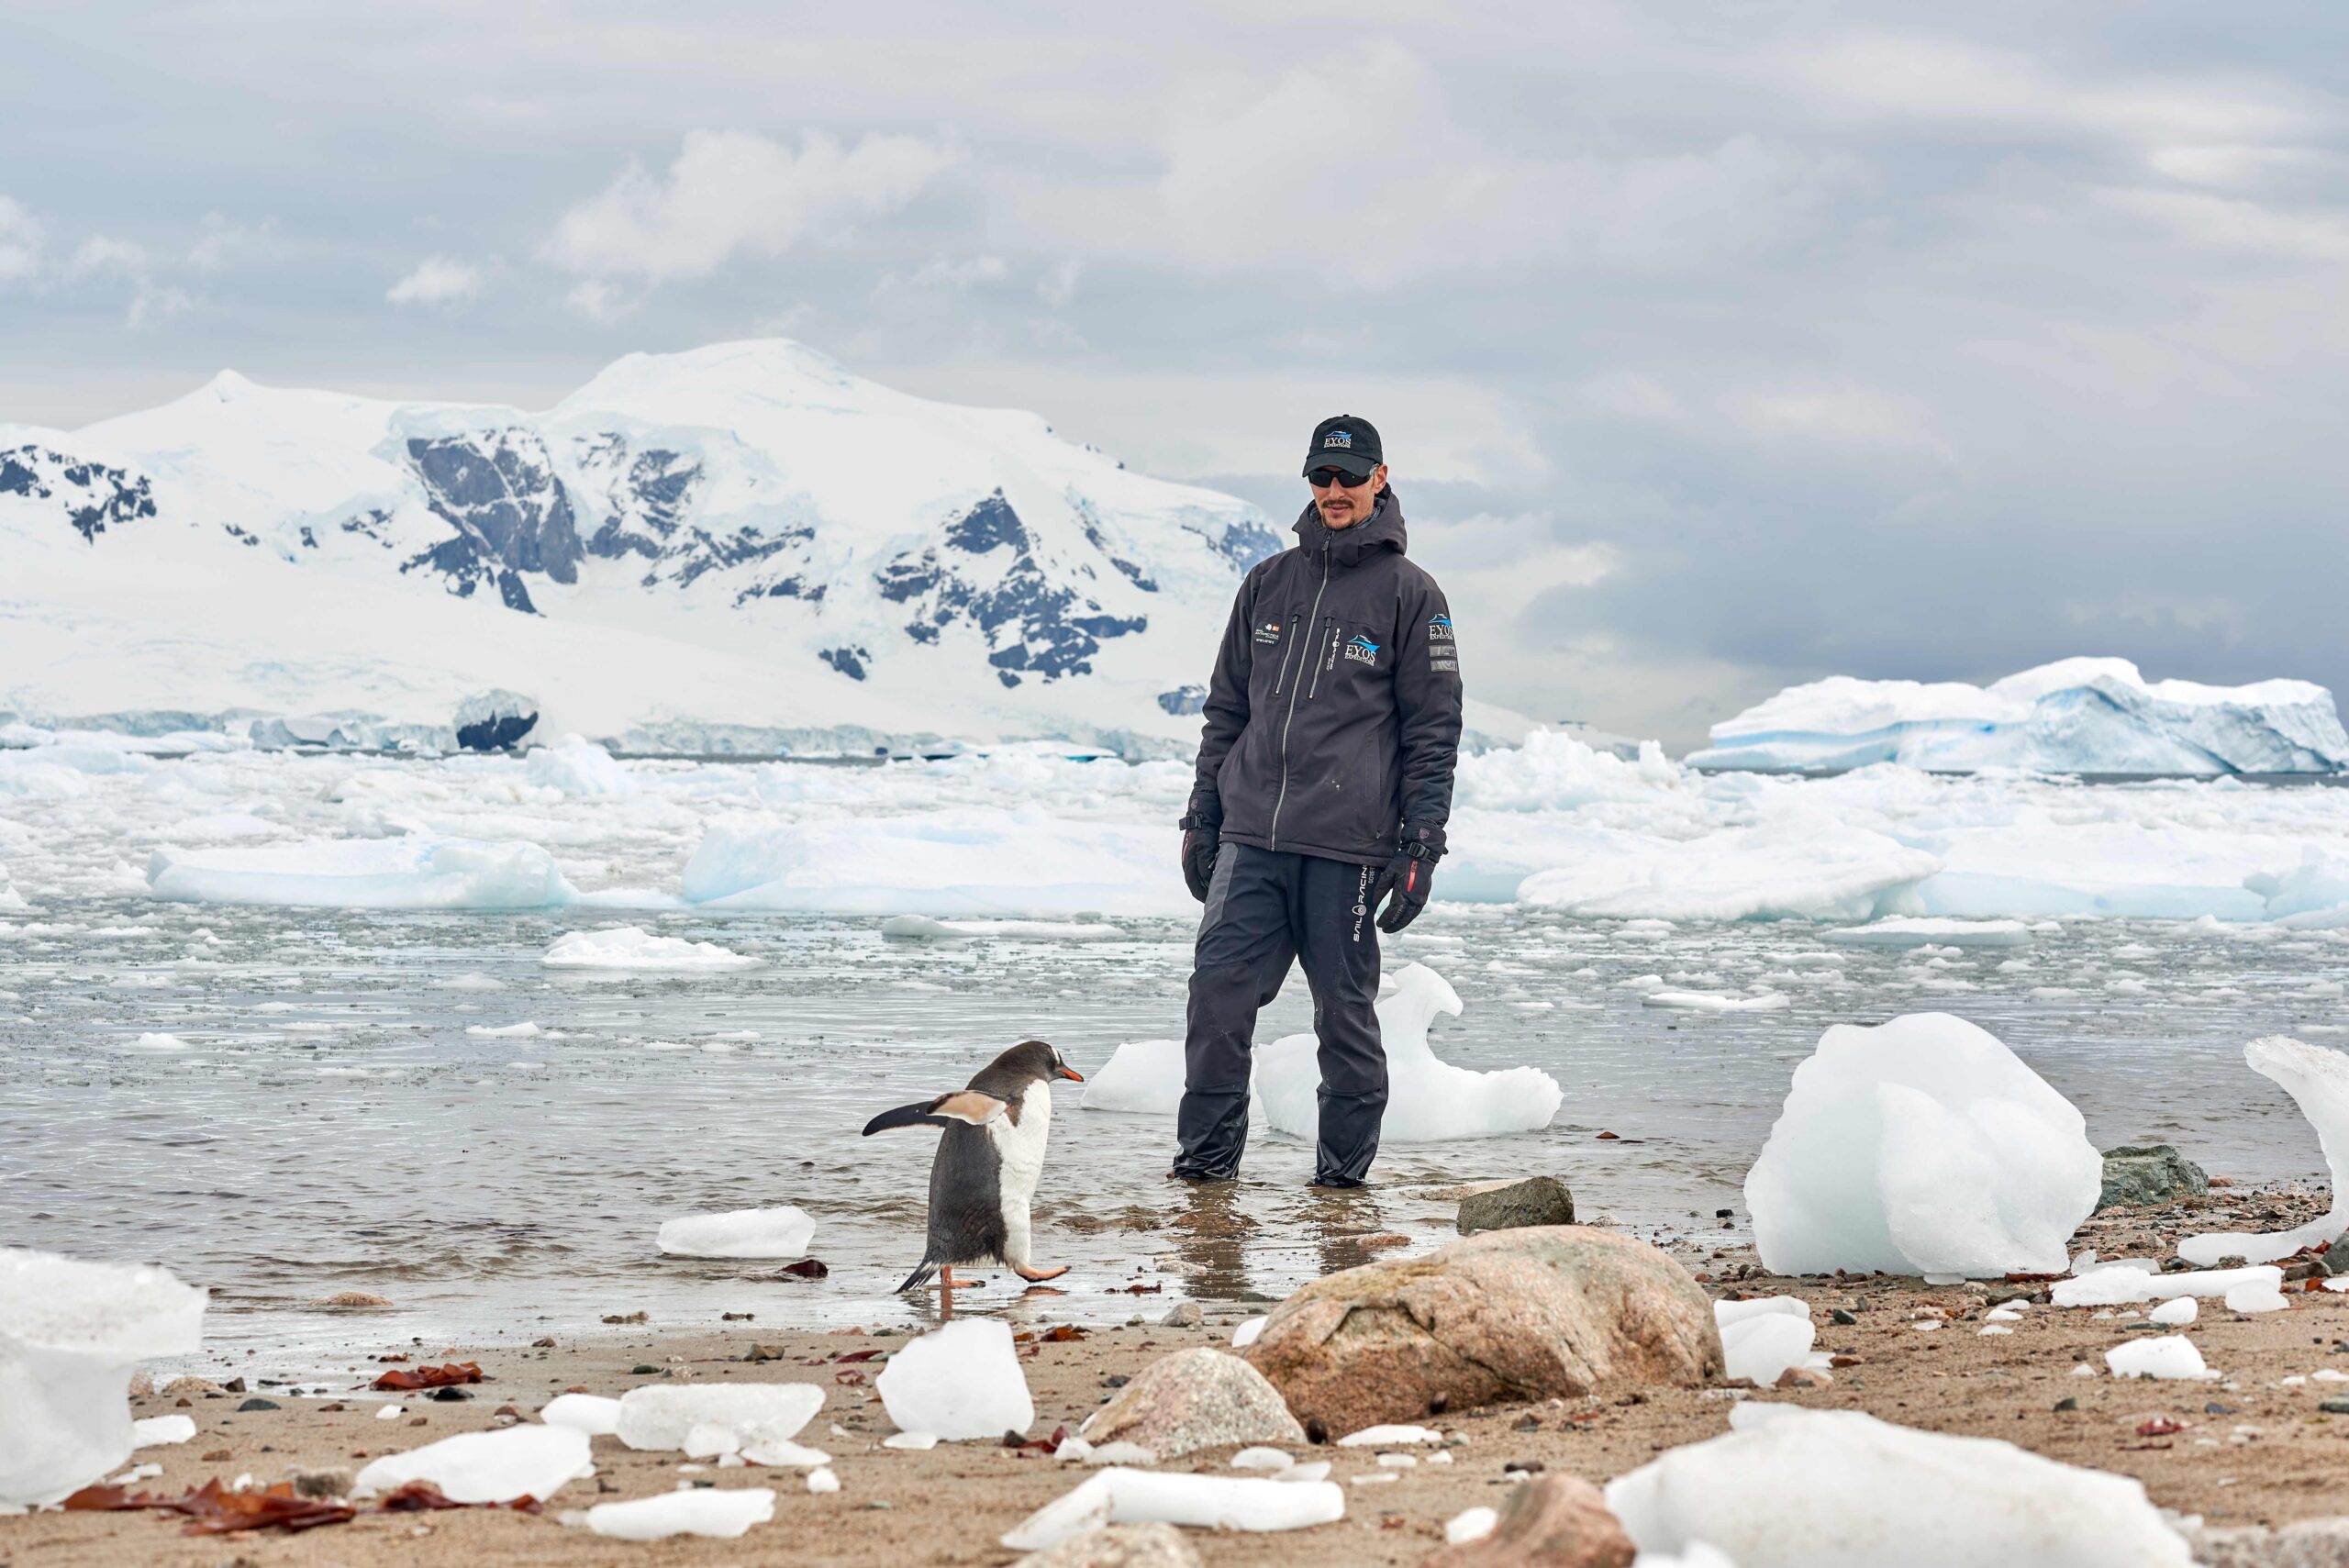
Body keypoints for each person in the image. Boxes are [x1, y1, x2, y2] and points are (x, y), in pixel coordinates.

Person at [1171, 415, 1464, 1187]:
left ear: (1380, 478)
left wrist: (1420, 845)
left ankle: (1341, 1188)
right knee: (1216, 999)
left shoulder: (1412, 596)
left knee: (1344, 1016)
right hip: (1251, 838)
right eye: (1321, 477)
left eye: (1349, 476)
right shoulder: (1268, 583)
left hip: (1348, 845)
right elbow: (1226, 710)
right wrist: (1203, 817)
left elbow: (1435, 729)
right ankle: (1204, 1178)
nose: (1333, 491)